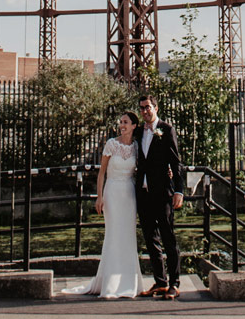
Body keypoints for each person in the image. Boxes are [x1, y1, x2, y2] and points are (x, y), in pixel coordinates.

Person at [66, 112, 146, 299]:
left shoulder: (136, 147)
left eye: (126, 122)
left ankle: (129, 282)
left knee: (128, 236)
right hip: (112, 191)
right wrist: (99, 196)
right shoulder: (111, 144)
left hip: (129, 193)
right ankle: (110, 284)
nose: (122, 125)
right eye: (121, 122)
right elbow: (102, 173)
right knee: (113, 235)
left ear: (134, 125)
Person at [136, 95, 185, 299]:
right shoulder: (139, 132)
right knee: (150, 238)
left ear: (156, 107)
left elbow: (176, 163)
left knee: (168, 237)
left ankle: (174, 283)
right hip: (143, 192)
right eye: (142, 108)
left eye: (148, 107)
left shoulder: (166, 129)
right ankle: (160, 282)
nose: (145, 111)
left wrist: (178, 190)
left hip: (162, 193)